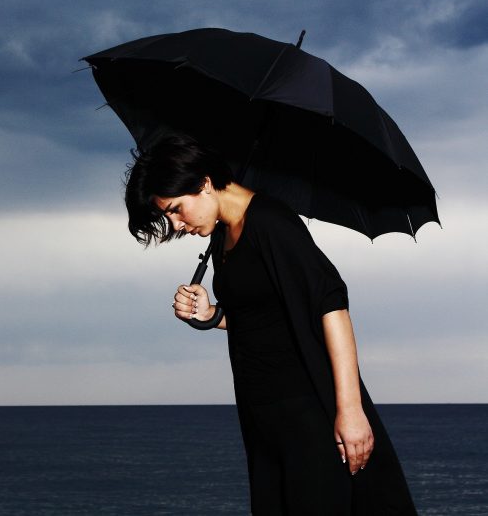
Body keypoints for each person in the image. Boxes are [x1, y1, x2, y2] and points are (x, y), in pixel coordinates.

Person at [124, 134, 417, 515]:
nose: (177, 224)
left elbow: (331, 306)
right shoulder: (224, 234)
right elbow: (260, 316)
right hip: (262, 416)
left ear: (205, 184)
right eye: (168, 217)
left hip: (307, 414)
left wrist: (350, 410)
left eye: (177, 210)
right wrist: (210, 315)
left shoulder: (270, 221)